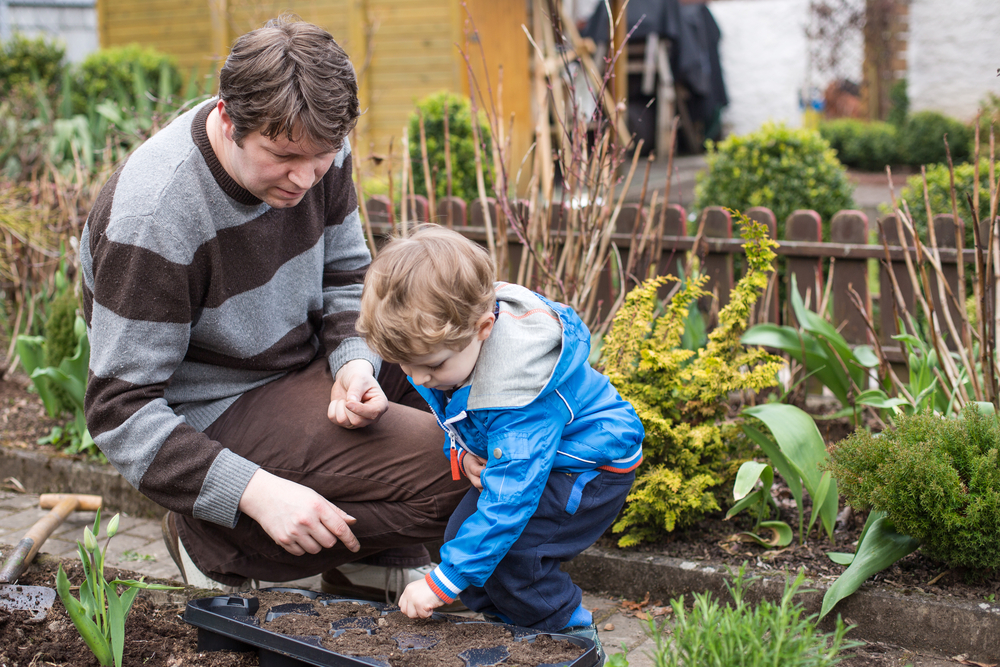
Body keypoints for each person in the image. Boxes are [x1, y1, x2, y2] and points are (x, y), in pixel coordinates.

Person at [80, 16, 468, 597]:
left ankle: (366, 560)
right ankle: (215, 540)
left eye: (323, 158)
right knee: (460, 474)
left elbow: (346, 276)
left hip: (303, 364)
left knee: (487, 408)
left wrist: (355, 364)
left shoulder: (314, 143)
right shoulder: (155, 215)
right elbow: (121, 411)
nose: (306, 178)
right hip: (217, 404)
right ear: (227, 117)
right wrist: (256, 491)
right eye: (284, 157)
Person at [355, 225, 645, 660]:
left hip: (590, 469)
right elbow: (467, 416)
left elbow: (512, 499)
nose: (418, 380)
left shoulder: (519, 390)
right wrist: (466, 450)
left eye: (430, 367)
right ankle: (515, 629)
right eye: (405, 366)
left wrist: (441, 583)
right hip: (536, 459)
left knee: (515, 555)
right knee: (460, 538)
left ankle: (567, 639)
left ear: (484, 327)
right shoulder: (450, 349)